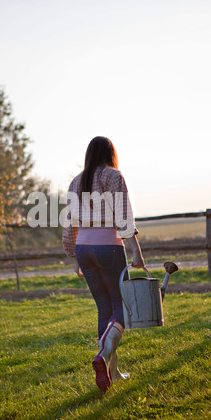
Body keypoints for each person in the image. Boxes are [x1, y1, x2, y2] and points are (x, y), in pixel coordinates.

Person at [62, 136, 145, 392]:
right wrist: (136, 251)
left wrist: (74, 256)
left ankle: (113, 372)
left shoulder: (76, 181)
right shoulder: (113, 176)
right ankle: (102, 356)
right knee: (124, 307)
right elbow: (123, 215)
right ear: (111, 153)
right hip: (108, 247)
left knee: (104, 310)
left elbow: (69, 223)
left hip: (84, 249)